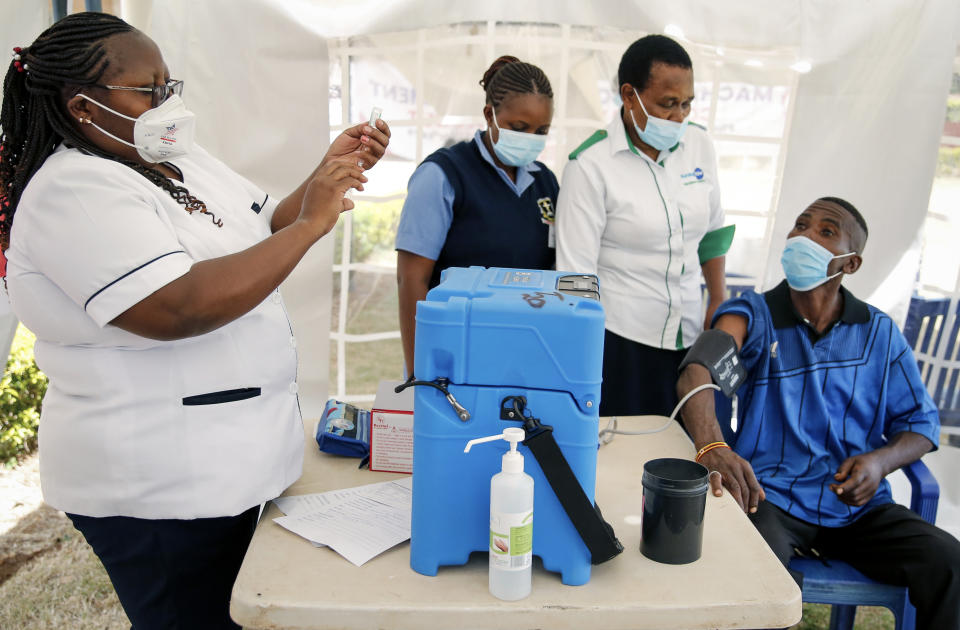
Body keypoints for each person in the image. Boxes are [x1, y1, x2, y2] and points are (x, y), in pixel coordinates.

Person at [0, 13, 390, 630]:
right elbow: (177, 306)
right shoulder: (71, 190)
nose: (166, 104)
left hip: (229, 468)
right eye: (146, 91)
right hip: (156, 488)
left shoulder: (177, 158)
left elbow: (263, 230)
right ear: (81, 107)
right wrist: (314, 222)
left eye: (169, 85)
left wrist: (323, 178)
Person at [676, 197, 960, 628]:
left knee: (950, 563)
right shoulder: (754, 314)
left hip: (857, 508)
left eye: (826, 231)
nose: (805, 236)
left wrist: (879, 462)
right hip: (769, 497)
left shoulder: (878, 332)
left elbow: (921, 425)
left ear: (850, 263)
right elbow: (699, 369)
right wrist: (712, 445)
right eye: (801, 225)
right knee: (756, 574)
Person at [556, 34, 733, 418]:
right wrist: (585, 360)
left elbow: (714, 233)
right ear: (629, 95)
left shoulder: (700, 144)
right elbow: (576, 277)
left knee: (687, 455)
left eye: (686, 104)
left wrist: (717, 298)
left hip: (690, 335)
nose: (679, 116)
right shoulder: (590, 165)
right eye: (667, 104)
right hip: (621, 340)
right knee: (628, 456)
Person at [395, 56, 558, 377]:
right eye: (519, 128)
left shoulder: (545, 182)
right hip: (454, 353)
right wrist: (420, 371)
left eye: (541, 131)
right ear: (489, 115)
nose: (530, 139)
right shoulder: (443, 175)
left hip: (525, 350)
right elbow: (411, 279)